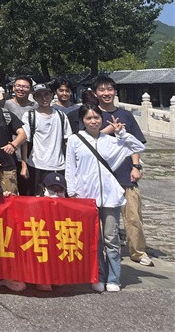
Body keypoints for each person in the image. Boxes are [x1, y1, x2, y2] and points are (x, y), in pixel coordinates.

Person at [66, 105, 146, 293]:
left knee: (111, 238)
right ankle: (98, 276)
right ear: (82, 121)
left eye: (96, 117)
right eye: (88, 118)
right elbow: (70, 168)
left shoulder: (111, 141)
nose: (93, 121)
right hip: (87, 197)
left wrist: (121, 133)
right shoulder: (75, 140)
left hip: (110, 196)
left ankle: (113, 278)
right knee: (94, 240)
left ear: (102, 119)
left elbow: (139, 146)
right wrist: (73, 193)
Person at [92, 75, 153, 267]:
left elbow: (135, 144)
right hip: (101, 174)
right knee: (102, 217)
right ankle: (104, 250)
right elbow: (87, 140)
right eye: (102, 90)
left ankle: (138, 251)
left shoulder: (126, 115)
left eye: (109, 89)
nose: (106, 93)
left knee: (133, 215)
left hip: (126, 172)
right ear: (95, 93)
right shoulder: (92, 114)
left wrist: (136, 166)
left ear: (115, 92)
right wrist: (110, 130)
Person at [21, 83, 71, 197]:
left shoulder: (61, 116)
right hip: (36, 165)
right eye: (39, 95)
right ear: (34, 98)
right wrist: (24, 166)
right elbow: (24, 142)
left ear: (52, 95)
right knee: (36, 199)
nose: (44, 98)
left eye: (46, 94)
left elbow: (68, 141)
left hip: (58, 165)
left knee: (58, 198)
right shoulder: (29, 116)